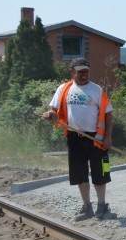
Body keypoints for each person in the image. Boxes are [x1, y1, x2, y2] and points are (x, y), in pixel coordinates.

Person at [42, 58, 114, 221]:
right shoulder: (64, 89)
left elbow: (109, 113)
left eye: (86, 71)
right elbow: (55, 110)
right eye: (80, 71)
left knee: (101, 172)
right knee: (79, 174)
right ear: (72, 72)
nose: (84, 74)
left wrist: (107, 136)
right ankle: (86, 207)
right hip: (74, 138)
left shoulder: (97, 90)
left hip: (97, 138)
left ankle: (102, 206)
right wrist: (50, 115)